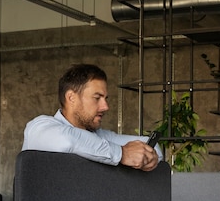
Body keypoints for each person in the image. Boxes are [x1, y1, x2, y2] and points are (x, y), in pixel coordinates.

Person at [22, 63, 162, 171]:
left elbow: (150, 146)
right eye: (97, 98)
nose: (105, 107)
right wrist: (121, 154)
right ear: (71, 98)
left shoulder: (100, 137)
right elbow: (67, 140)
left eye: (105, 98)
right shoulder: (39, 128)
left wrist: (147, 158)